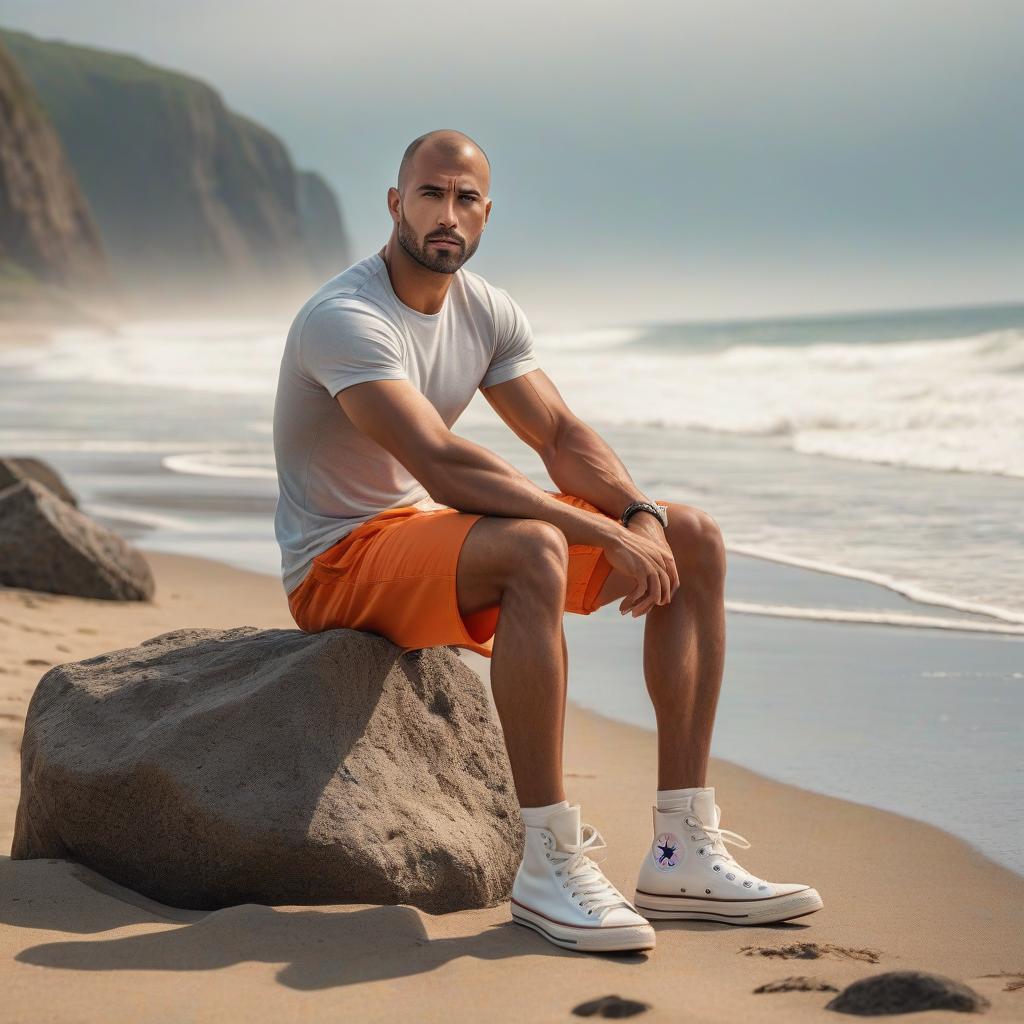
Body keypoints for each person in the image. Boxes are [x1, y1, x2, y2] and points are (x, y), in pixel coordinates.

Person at [272, 128, 822, 954]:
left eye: (465, 199)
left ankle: (681, 851)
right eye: (430, 195)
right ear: (395, 204)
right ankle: (547, 862)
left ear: (487, 214)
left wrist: (638, 514)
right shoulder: (346, 319)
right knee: (537, 546)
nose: (446, 214)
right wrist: (599, 530)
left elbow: (560, 433)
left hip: (419, 533)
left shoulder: (485, 309)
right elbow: (442, 461)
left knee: (693, 537)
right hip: (339, 561)